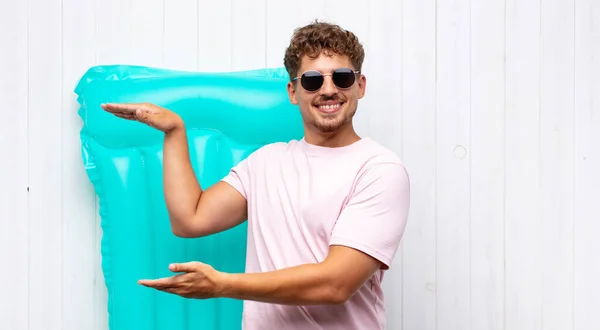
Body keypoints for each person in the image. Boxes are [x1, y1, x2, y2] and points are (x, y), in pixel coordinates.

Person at [101, 20, 410, 330]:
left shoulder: (378, 170)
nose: (329, 89)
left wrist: (223, 284)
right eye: (312, 81)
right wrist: (174, 131)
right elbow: (190, 219)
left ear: (360, 85)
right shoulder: (266, 162)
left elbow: (335, 284)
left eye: (342, 77)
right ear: (293, 91)